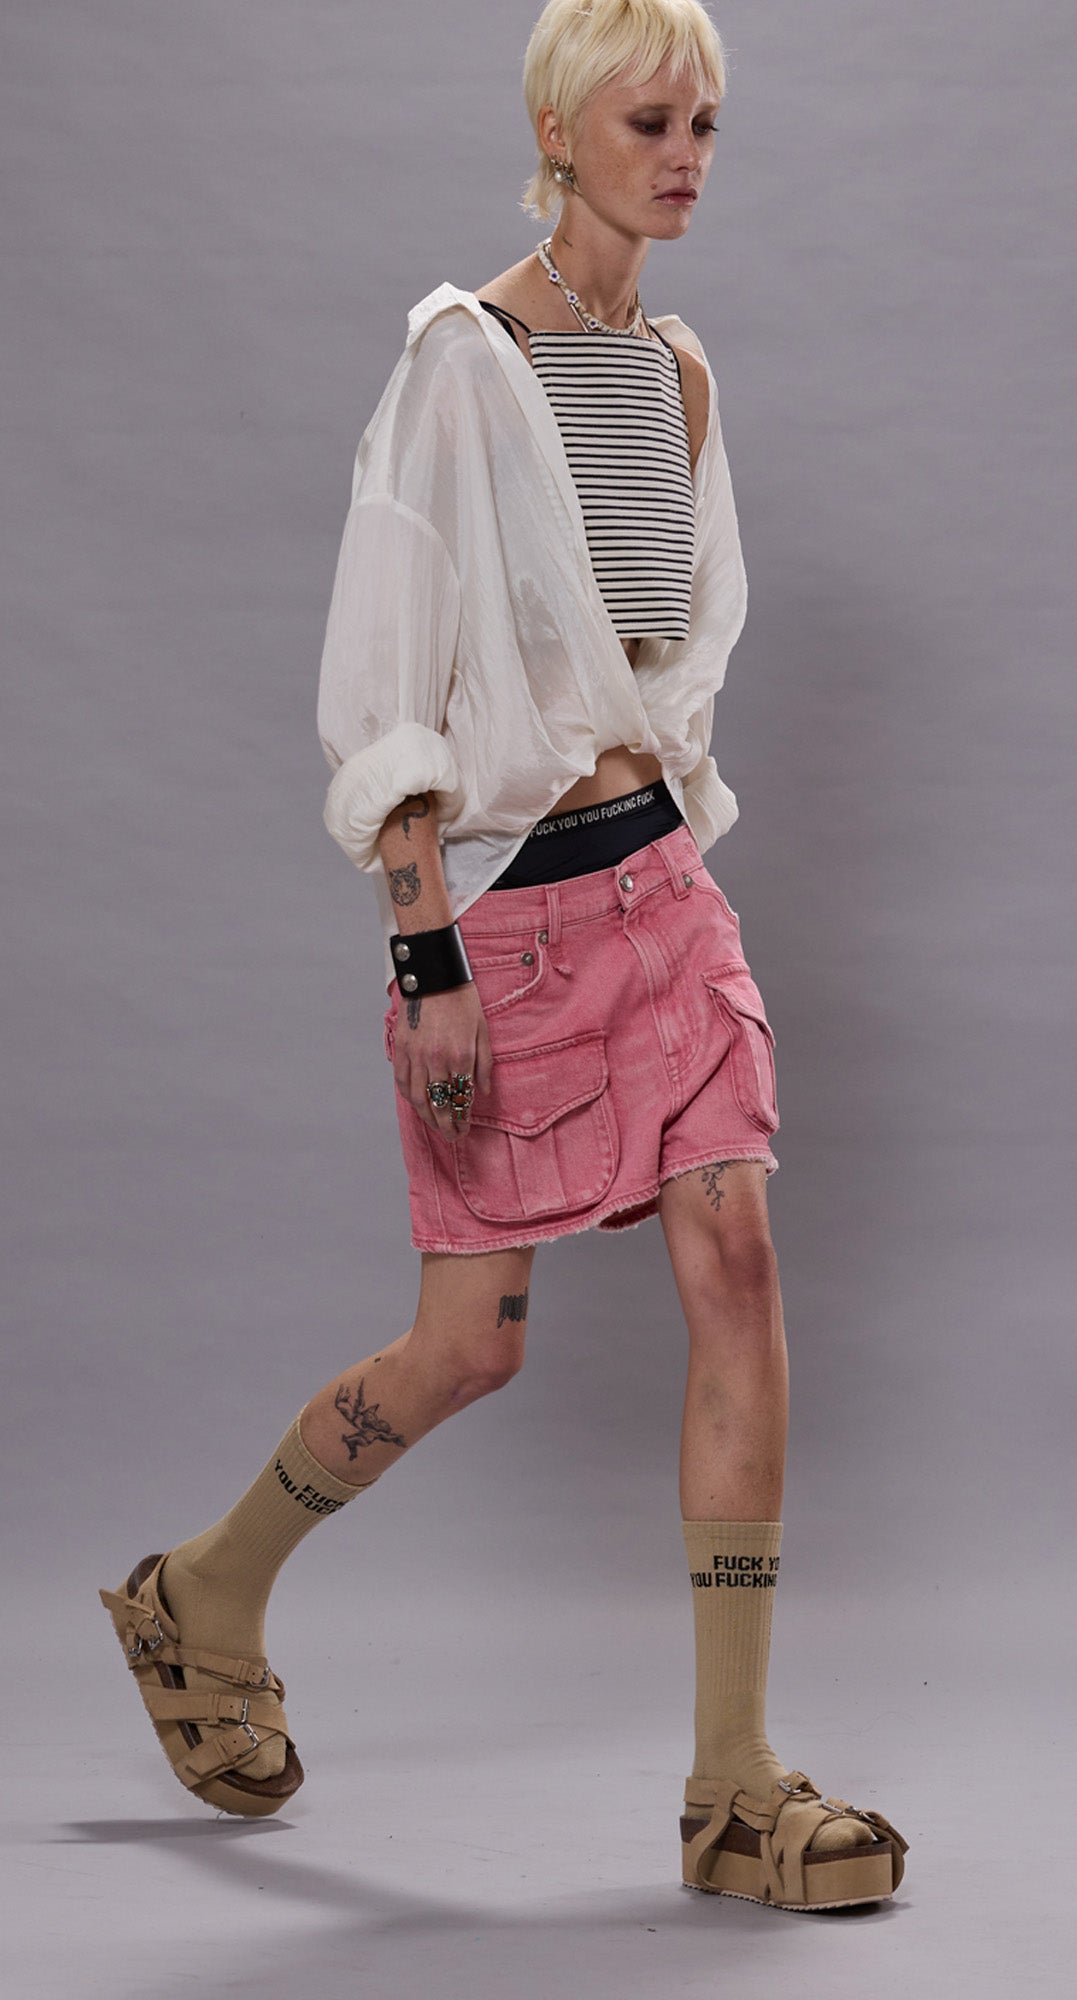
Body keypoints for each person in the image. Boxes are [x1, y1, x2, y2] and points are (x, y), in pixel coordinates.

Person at [98, 0, 908, 1912]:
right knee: (472, 1348)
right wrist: (422, 955)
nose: (685, 155)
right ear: (558, 130)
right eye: (650, 120)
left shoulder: (676, 371)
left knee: (737, 1258)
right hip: (511, 920)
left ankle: (730, 1789)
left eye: (706, 123)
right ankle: (202, 1593)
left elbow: (668, 656)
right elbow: (389, 672)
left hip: (660, 892)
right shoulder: (465, 364)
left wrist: (662, 847)